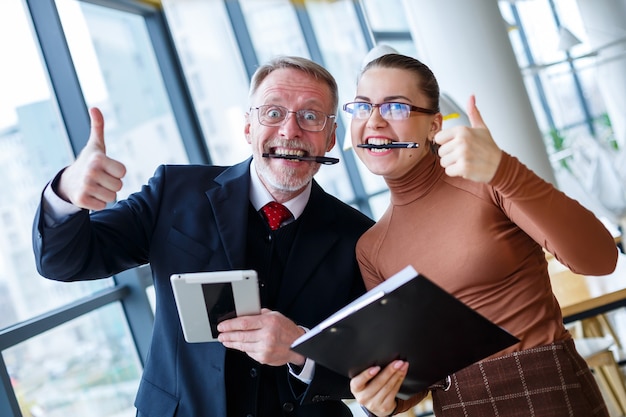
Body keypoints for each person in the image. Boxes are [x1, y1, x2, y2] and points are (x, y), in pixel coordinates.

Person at [32, 56, 374, 417]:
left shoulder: (361, 237)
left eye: (310, 116)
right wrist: (67, 191)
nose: (290, 130)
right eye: (273, 113)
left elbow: (370, 364)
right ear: (247, 128)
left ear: (331, 137)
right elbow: (62, 262)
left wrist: (301, 351)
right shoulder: (173, 193)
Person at [343, 53, 619, 416]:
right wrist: (383, 398)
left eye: (396, 107)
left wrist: (504, 170)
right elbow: (416, 376)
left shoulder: (489, 180)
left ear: (433, 126)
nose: (374, 120)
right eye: (363, 106)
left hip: (548, 392)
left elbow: (601, 259)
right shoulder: (372, 247)